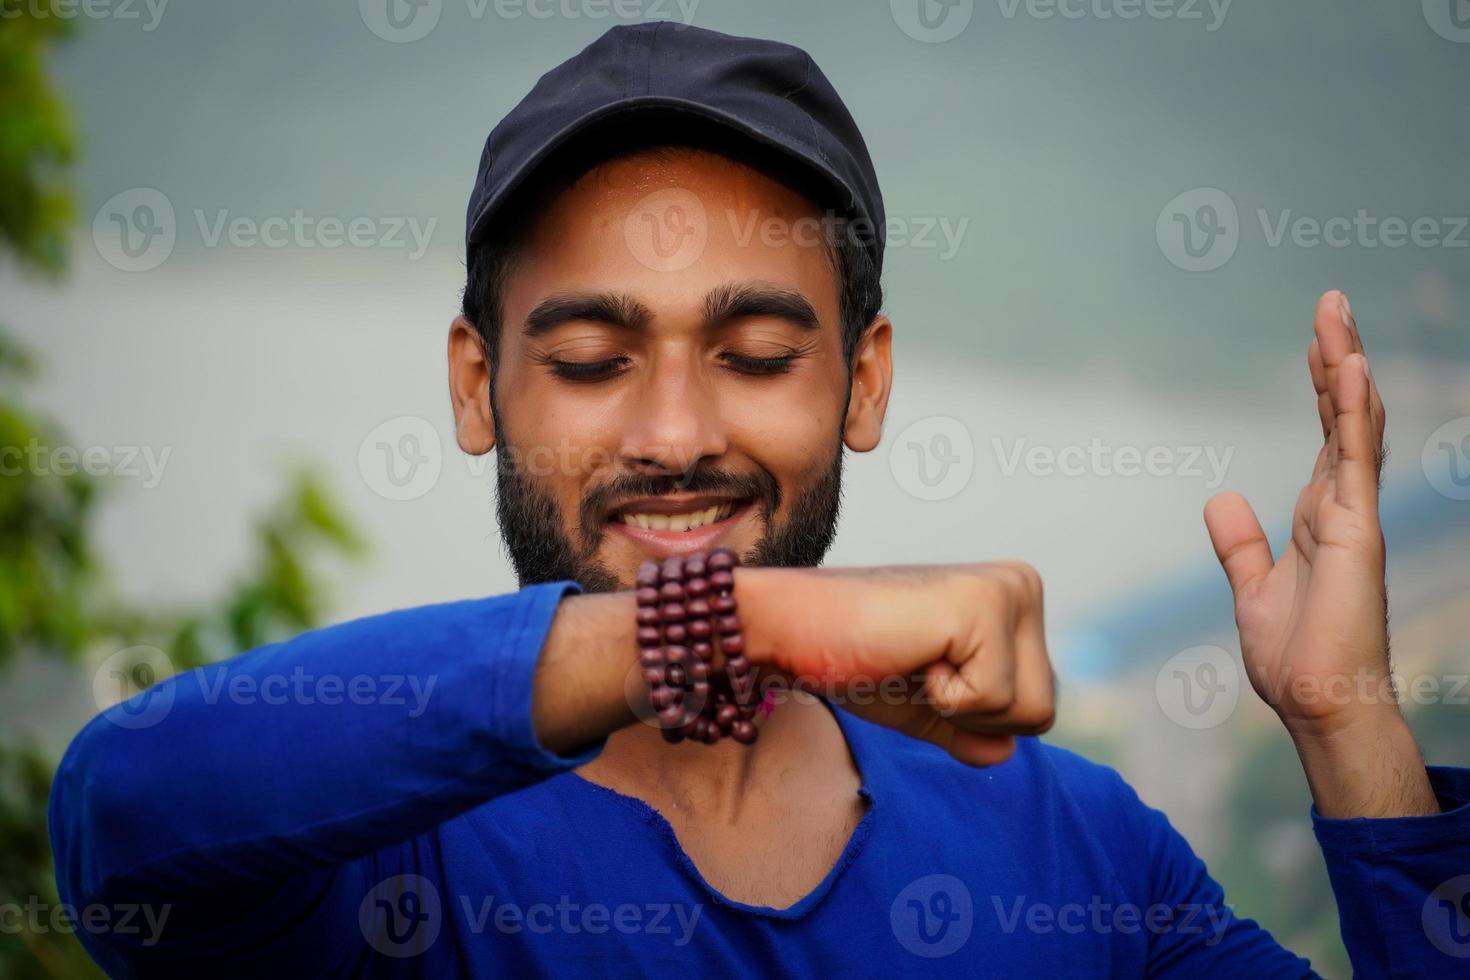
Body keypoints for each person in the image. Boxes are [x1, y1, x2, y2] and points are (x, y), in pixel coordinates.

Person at [50, 22, 1469, 978]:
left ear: (862, 382)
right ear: (477, 389)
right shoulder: (374, 853)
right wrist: (722, 630)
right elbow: (123, 813)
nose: (675, 433)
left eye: (756, 356)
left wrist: (1347, 727)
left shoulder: (1078, 856)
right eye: (596, 359)